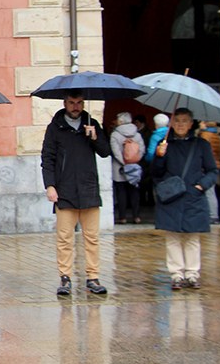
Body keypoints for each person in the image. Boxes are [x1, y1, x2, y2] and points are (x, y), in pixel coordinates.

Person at [40, 93, 112, 296]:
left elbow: (105, 151)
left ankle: (93, 277)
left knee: (92, 237)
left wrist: (95, 138)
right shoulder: (55, 127)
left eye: (79, 103)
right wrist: (50, 185)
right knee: (64, 238)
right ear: (65, 103)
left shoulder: (92, 124)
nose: (75, 106)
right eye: (71, 103)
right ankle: (65, 277)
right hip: (65, 190)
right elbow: (47, 158)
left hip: (88, 188)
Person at [154, 108, 218, 289]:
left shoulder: (201, 144)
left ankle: (192, 274)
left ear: (190, 124)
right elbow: (155, 173)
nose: (180, 124)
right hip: (172, 195)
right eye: (177, 121)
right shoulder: (164, 144)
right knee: (172, 237)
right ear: (172, 124)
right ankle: (176, 274)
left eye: (184, 121)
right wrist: (159, 156)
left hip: (193, 195)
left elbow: (212, 171)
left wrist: (201, 186)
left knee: (192, 237)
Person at [110, 111, 145, 225]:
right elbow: (142, 150)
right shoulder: (137, 134)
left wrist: (124, 163)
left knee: (121, 192)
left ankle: (123, 217)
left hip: (119, 168)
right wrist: (134, 161)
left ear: (120, 121)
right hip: (134, 166)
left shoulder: (115, 135)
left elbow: (116, 152)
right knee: (134, 191)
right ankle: (136, 216)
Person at [196, 120, 220, 223]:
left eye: (201, 122)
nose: (199, 123)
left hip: (205, 166)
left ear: (205, 123)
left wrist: (199, 132)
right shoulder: (217, 136)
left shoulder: (205, 135)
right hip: (215, 164)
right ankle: (214, 214)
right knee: (212, 191)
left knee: (208, 192)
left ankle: (212, 215)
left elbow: (199, 151)